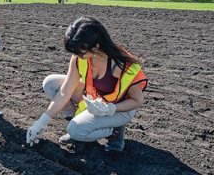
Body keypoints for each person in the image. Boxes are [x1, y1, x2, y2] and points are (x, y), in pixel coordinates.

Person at [26, 17, 147, 152]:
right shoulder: (80, 58)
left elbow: (137, 101)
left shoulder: (123, 64)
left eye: (79, 52)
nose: (76, 56)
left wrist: (110, 109)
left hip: (120, 108)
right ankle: (80, 124)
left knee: (75, 130)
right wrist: (41, 123)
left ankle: (114, 132)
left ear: (95, 47)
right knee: (50, 83)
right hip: (95, 99)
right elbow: (65, 92)